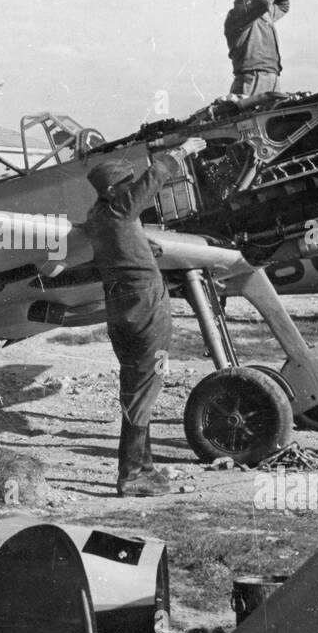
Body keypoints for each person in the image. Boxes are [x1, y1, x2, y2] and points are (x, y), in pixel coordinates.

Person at [83, 138, 208, 496]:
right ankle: (131, 475)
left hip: (120, 309)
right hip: (145, 306)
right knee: (145, 386)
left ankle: (145, 467)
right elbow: (153, 178)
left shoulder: (98, 217)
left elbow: (119, 242)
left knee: (137, 386)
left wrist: (144, 248)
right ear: (112, 191)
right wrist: (183, 151)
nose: (130, 188)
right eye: (124, 184)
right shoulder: (122, 210)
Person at [224, 0, 289, 97]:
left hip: (269, 76)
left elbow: (283, 6)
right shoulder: (238, 14)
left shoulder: (261, 13)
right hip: (253, 79)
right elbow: (264, 1)